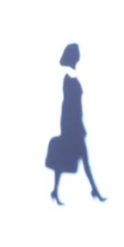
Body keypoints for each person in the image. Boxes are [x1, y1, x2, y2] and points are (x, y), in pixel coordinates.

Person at [49, 43, 105, 205]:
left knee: (65, 157)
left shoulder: (71, 78)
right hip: (71, 125)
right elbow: (69, 105)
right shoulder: (70, 79)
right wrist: (75, 125)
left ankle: (56, 191)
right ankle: (94, 190)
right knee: (82, 158)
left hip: (72, 124)